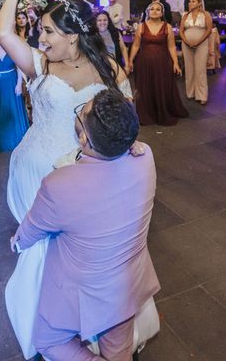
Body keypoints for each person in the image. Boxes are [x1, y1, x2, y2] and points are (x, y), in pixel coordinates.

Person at [0, 0, 134, 359]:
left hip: (87, 173)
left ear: (73, 35)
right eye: (40, 31)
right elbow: (5, 34)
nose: (41, 38)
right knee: (43, 250)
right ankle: (48, 318)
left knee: (77, 250)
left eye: (48, 32)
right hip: (36, 170)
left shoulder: (109, 68)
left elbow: (124, 119)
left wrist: (128, 154)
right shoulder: (41, 64)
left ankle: (73, 321)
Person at [12, 89, 160, 361]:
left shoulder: (58, 184)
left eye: (81, 114)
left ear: (84, 139)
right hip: (128, 284)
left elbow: (33, 229)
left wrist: (17, 242)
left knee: (47, 341)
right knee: (118, 351)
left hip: (86, 291)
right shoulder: (145, 157)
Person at [129, 1, 188, 126]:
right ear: (148, 12)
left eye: (157, 9)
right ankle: (146, 114)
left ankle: (161, 112)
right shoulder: (141, 26)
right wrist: (130, 61)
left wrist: (176, 63)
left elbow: (172, 47)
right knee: (145, 88)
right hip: (144, 63)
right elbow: (135, 45)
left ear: (162, 13)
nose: (154, 11)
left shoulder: (167, 27)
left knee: (162, 87)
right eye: (152, 9)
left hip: (163, 63)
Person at [179, 0, 213, 105]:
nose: (190, 3)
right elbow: (181, 30)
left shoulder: (205, 14)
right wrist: (186, 41)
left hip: (202, 44)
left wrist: (198, 41)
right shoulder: (185, 15)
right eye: (189, 1)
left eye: (193, 1)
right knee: (189, 69)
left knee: (200, 69)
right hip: (186, 44)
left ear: (199, 3)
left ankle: (202, 95)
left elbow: (209, 30)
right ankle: (190, 93)